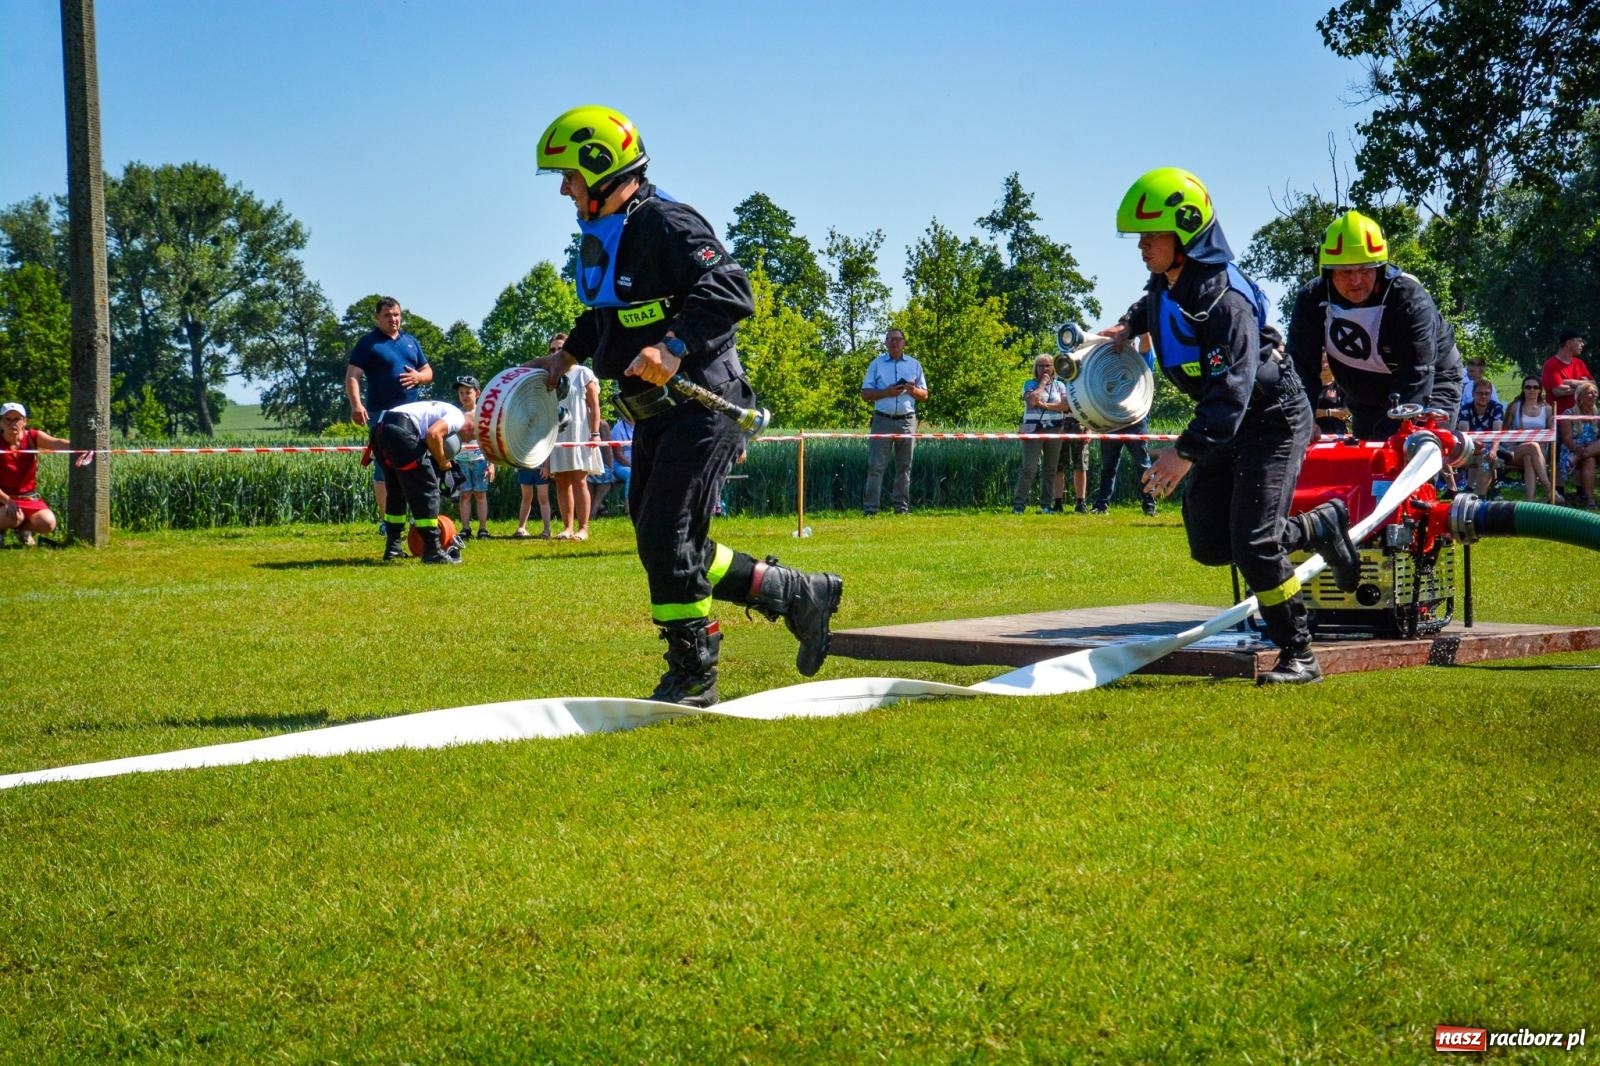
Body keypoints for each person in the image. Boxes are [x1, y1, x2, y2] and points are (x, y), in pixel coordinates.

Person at [527, 105, 842, 706]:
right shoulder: (605, 236)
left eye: (567, 176)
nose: (564, 190)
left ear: (598, 169)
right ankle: (796, 593)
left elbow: (731, 289)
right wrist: (564, 358)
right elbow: (607, 317)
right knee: (663, 538)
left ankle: (694, 672)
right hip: (652, 413)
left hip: (705, 403)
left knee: (667, 537)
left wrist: (674, 346)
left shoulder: (667, 222)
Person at [1099, 167, 1360, 686]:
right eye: (1139, 237)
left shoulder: (1226, 300)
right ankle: (1317, 526)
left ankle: (1299, 653)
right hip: (1226, 422)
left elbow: (1232, 393)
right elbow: (1152, 301)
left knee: (1256, 543)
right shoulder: (1170, 278)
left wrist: (1184, 453)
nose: (1142, 246)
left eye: (1150, 235)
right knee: (1211, 543)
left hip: (1271, 418)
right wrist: (1129, 326)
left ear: (1187, 233)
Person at [1288, 210, 1464, 440]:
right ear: (1328, 272)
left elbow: (1417, 372)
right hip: (1365, 390)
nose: (1356, 281)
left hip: (1431, 381)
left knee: (1414, 447)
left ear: (1380, 268)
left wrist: (1394, 435)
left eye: (1365, 270)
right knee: (1367, 467)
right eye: (1345, 272)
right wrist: (1304, 419)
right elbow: (1301, 367)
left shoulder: (1409, 299)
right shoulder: (1312, 299)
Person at [346, 297, 433, 522]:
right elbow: (352, 376)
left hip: (413, 416)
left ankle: (416, 518)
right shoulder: (368, 343)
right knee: (384, 470)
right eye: (387, 315)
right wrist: (356, 405)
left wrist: (419, 377)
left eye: (396, 315)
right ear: (377, 318)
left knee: (415, 467)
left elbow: (428, 372)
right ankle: (388, 522)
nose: (393, 319)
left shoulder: (411, 341)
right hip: (382, 416)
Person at [369, 399, 470, 564]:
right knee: (427, 490)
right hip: (400, 431)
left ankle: (393, 548)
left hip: (379, 430)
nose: (466, 441)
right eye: (469, 437)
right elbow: (433, 434)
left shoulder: (437, 409)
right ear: (469, 426)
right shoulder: (457, 417)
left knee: (396, 492)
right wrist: (444, 464)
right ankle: (433, 550)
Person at [860, 328, 927, 516]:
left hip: (907, 421)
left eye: (898, 339)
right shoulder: (876, 364)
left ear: (904, 342)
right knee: (876, 466)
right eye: (891, 339)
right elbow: (865, 394)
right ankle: (871, 509)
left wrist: (912, 390)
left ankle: (901, 509)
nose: (895, 342)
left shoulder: (914, 364)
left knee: (904, 466)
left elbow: (925, 394)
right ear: (886, 343)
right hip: (882, 420)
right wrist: (886, 393)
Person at [1090, 333, 1158, 517]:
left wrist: (1139, 325)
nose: (1125, 345)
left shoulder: (1141, 361)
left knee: (1142, 465)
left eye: (1129, 342)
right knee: (1108, 466)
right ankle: (1101, 506)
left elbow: (1146, 341)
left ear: (1133, 344)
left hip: (1135, 421)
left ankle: (1150, 506)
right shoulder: (1107, 363)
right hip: (1111, 421)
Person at [1, 403, 71, 546]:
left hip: (29, 497)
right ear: (1, 421)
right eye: (8, 419)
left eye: (17, 419)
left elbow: (56, 443)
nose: (12, 423)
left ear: (24, 421)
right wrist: (7, 501)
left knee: (48, 523)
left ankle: (24, 531)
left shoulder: (33, 437)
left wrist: (82, 446)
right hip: (3, 498)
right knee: (14, 518)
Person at [549, 359, 603, 541]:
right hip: (556, 433)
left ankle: (583, 528)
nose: (557, 353)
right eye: (553, 350)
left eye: (560, 349)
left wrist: (595, 433)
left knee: (579, 480)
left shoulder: (583, 373)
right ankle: (567, 528)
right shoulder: (550, 374)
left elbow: (594, 406)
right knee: (561, 480)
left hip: (579, 433)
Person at [1011, 354, 1068, 513]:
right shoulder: (1029, 384)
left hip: (1055, 430)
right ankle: (1019, 506)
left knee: (1050, 469)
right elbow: (1031, 401)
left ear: (1053, 368)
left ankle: (1045, 506)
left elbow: (1064, 406)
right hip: (1033, 431)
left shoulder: (1060, 386)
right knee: (1028, 469)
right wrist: (1042, 383)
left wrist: (1044, 405)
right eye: (1041, 366)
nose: (1045, 369)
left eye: (1048, 366)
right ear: (1035, 368)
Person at [1504, 377, 1561, 502]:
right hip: (1515, 449)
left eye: (1535, 387)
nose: (1531, 390)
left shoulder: (1547, 409)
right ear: (1523, 389)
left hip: (1540, 452)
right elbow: (1504, 431)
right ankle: (1549, 488)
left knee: (1529, 456)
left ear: (1540, 390)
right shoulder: (1515, 407)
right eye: (1528, 387)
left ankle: (1530, 500)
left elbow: (1551, 433)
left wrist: (1552, 426)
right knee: (1532, 447)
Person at [452, 375, 495, 538]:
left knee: (480, 494)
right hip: (461, 460)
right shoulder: (455, 414)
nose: (464, 396)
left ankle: (483, 529)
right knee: (465, 494)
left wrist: (491, 464)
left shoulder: (484, 414)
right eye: (461, 393)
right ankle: (465, 528)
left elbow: (490, 439)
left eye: (467, 392)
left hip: (480, 460)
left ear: (477, 393)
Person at [1455, 379, 1505, 496]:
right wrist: (1474, 444)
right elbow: (1464, 431)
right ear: (1473, 394)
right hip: (1470, 446)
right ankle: (1481, 489)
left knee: (1485, 458)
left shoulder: (1497, 407)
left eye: (1487, 393)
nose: (1483, 396)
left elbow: (1497, 432)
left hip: (1494, 447)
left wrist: (1493, 450)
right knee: (1479, 454)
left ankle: (1479, 492)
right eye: (1480, 393)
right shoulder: (1466, 408)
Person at [1557, 380, 1600, 508]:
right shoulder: (1569, 414)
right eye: (1590, 393)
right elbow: (1567, 438)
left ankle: (1578, 457)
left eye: (1595, 392)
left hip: (1591, 450)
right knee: (1590, 460)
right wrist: (1576, 449)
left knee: (1592, 453)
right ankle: (1590, 501)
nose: (1594, 395)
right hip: (1573, 449)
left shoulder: (1598, 414)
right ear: (1580, 397)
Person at [1541, 330, 1593, 417]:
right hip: (1560, 418)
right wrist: (1584, 386)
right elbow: (1558, 391)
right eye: (1579, 341)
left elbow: (1593, 385)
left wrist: (1571, 382)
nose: (1582, 344)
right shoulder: (1550, 365)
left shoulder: (1579, 363)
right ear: (1568, 343)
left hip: (1581, 416)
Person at [1312, 354, 1352, 437]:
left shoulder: (1341, 385)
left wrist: (1344, 412)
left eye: (1328, 362)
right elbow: (1307, 412)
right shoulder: (1311, 386)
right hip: (1314, 434)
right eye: (1322, 362)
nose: (1325, 365)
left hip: (1338, 434)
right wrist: (1330, 412)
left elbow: (1347, 411)